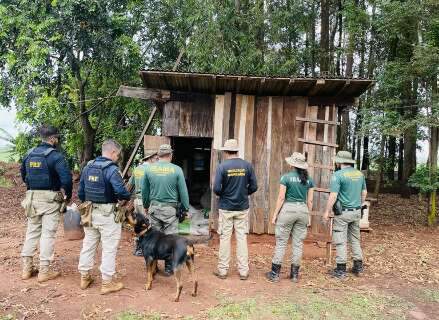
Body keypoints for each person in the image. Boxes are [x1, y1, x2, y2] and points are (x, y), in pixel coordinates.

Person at [77, 139, 131, 294]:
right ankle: (107, 283)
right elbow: (121, 192)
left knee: (88, 244)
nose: (117, 158)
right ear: (113, 152)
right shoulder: (112, 170)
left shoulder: (88, 167)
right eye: (118, 154)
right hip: (107, 214)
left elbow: (81, 192)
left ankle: (84, 277)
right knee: (109, 248)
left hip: (90, 213)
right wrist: (126, 195)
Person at [20, 125, 72, 283]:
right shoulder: (56, 156)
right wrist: (67, 196)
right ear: (52, 139)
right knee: (47, 234)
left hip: (31, 198)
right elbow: (67, 179)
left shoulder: (29, 154)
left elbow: (23, 174)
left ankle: (27, 269)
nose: (57, 140)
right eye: (57, 138)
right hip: (50, 199)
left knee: (32, 232)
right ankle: (44, 271)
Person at [212, 139, 258, 280]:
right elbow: (254, 186)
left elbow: (216, 189)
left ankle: (223, 270)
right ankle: (243, 271)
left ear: (226, 151)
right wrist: (244, 194)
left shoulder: (222, 167)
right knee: (241, 238)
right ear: (237, 150)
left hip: (226, 207)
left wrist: (224, 195)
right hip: (242, 207)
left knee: (225, 238)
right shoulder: (247, 166)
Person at [265, 152, 314, 283]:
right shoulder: (309, 180)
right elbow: (310, 201)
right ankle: (294, 275)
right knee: (298, 244)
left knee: (281, 242)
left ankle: (275, 274)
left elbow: (281, 198)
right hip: (303, 210)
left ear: (292, 164)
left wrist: (275, 215)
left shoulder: (286, 177)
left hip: (288, 210)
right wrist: (308, 216)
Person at [141, 144, 189, 276]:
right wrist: (185, 208)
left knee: (154, 239)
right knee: (171, 240)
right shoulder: (177, 170)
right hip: (170, 211)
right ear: (170, 155)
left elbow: (145, 191)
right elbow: (183, 192)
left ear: (158, 156)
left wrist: (146, 205)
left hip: (154, 209)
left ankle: (154, 267)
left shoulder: (149, 169)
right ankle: (169, 268)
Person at [323, 150, 367, 279]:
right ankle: (358, 267)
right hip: (356, 212)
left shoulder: (338, 175)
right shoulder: (360, 174)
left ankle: (341, 270)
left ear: (340, 162)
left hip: (343, 214)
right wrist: (359, 204)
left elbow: (334, 195)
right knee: (355, 239)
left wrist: (327, 211)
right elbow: (364, 192)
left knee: (341, 240)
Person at [127, 152, 158, 256]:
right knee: (147, 226)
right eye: (156, 158)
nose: (157, 160)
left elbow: (130, 185)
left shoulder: (137, 169)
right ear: (150, 159)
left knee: (138, 225)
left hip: (137, 201)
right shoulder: (151, 170)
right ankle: (143, 249)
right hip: (146, 202)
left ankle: (138, 248)